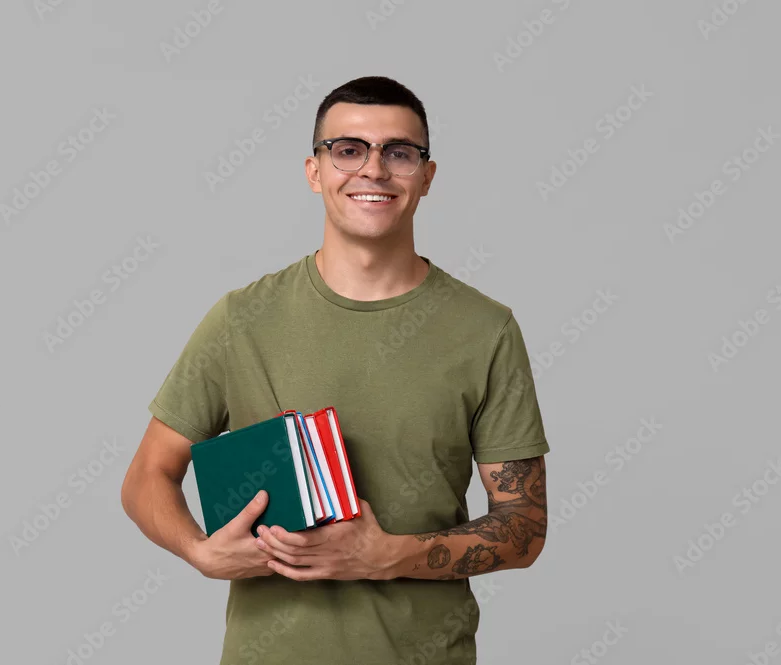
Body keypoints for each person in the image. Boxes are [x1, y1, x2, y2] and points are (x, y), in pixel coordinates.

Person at [121, 75, 550, 665]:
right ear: (314, 171)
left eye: (399, 152)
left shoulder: (486, 330)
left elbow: (524, 527)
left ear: (426, 176)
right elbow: (147, 475)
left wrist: (386, 556)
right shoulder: (242, 319)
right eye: (348, 149)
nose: (373, 169)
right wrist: (199, 551)